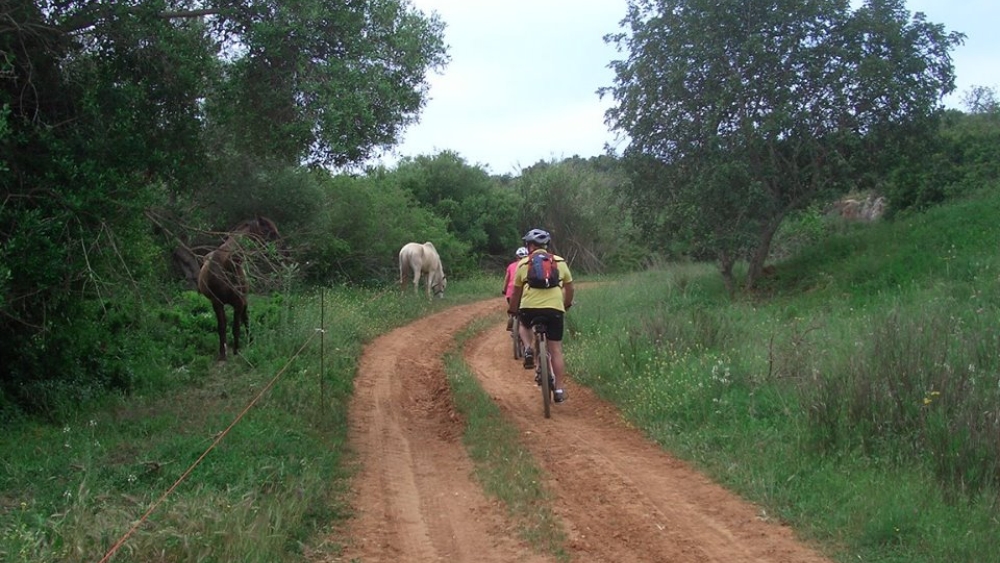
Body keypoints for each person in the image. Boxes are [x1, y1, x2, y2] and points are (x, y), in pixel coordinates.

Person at [507, 228, 574, 403]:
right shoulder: (559, 262)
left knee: (524, 324)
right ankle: (559, 389)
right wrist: (565, 305)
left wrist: (513, 310)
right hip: (554, 310)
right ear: (546, 246)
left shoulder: (523, 264)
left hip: (530, 309)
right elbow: (570, 288)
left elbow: (516, 293)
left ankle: (529, 347)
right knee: (556, 350)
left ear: (529, 246)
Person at [502, 246, 530, 330]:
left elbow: (506, 280)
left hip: (511, 292)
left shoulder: (511, 266)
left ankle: (511, 317)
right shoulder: (529, 266)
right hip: (524, 291)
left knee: (512, 308)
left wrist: (504, 290)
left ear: (517, 256)